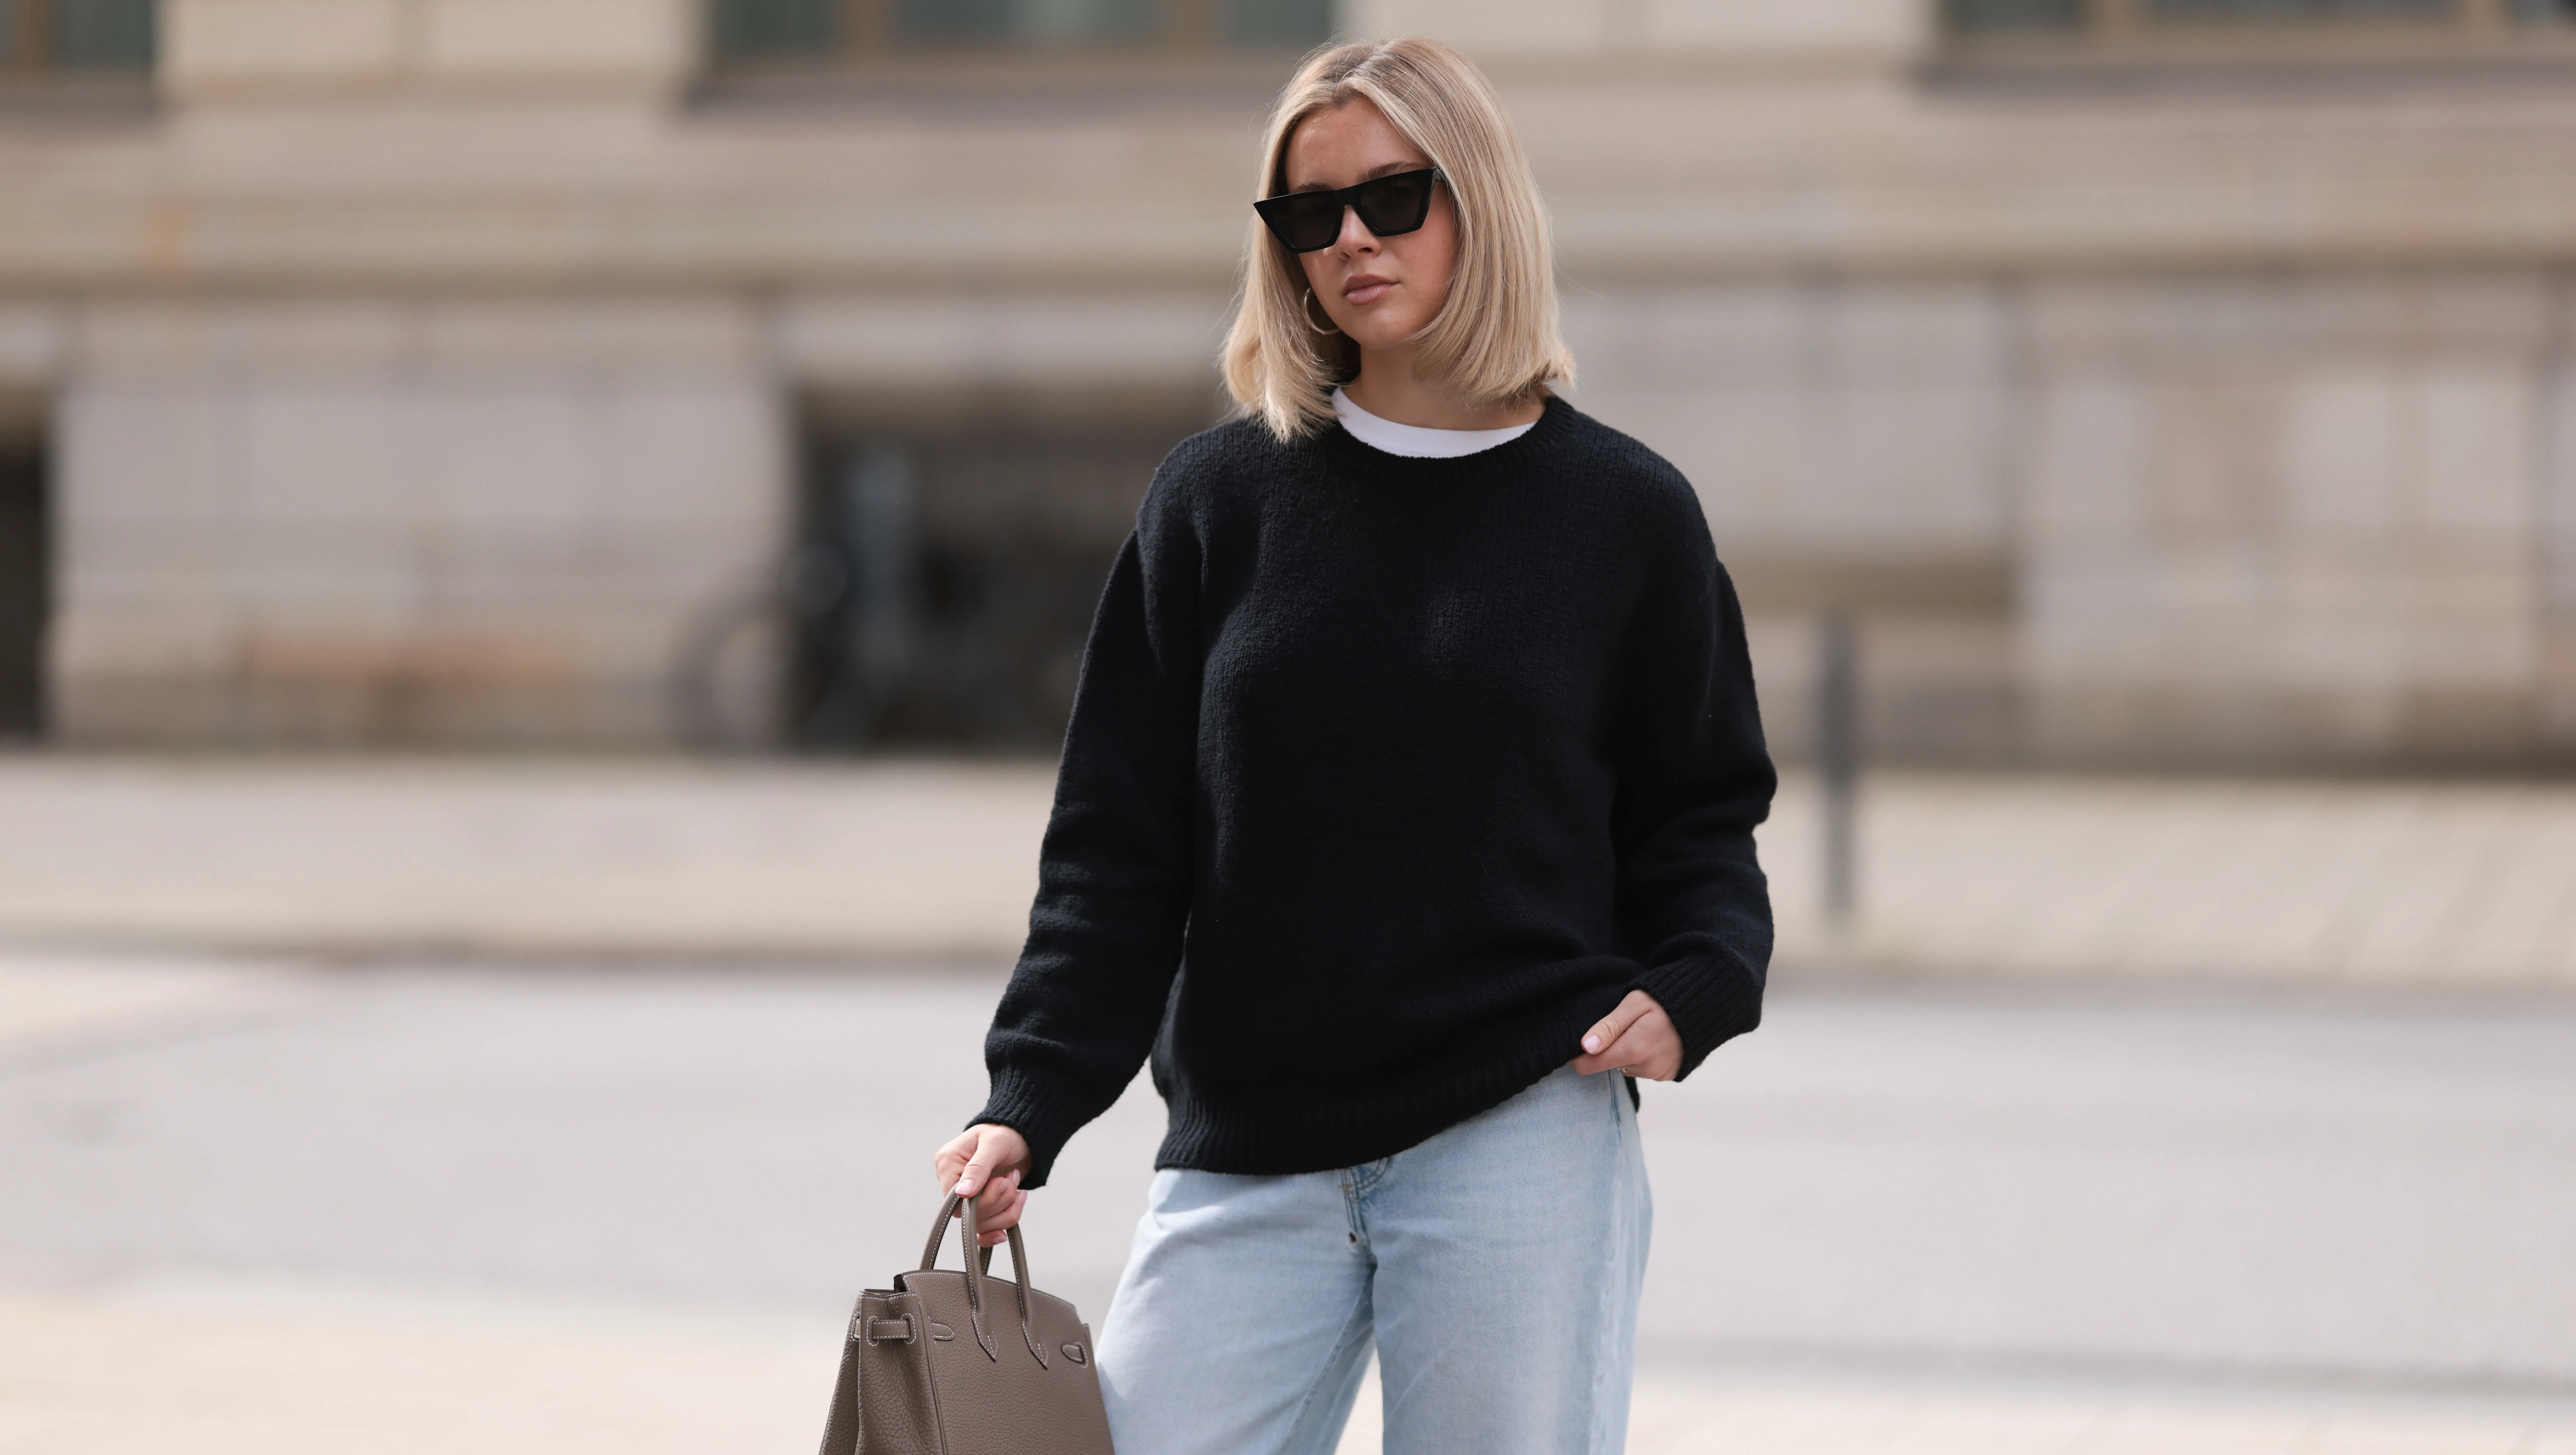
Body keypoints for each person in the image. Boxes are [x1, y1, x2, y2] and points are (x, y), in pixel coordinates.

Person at [930, 35, 1774, 1455]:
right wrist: (1032, 1094)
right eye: (1306, 213)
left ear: (1478, 201)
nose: (1349, 241)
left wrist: (1699, 982)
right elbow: (1115, 850)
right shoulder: (1214, 502)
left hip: (1518, 1125)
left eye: (1392, 197)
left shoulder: (1624, 514)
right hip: (1249, 1144)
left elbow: (1701, 815)